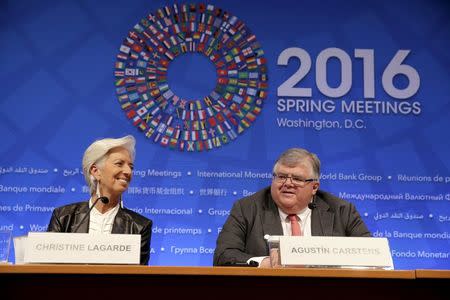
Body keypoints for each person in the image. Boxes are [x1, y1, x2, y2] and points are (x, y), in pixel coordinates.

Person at [213, 148, 371, 267]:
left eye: (297, 178)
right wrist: (265, 263)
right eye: (281, 177)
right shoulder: (247, 208)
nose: (287, 183)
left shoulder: (341, 211)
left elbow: (372, 256)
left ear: (314, 187)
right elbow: (223, 255)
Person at [47, 135, 152, 265]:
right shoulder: (63, 217)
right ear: (96, 171)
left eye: (131, 166)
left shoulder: (140, 226)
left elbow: (138, 278)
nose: (128, 171)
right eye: (119, 164)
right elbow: (48, 267)